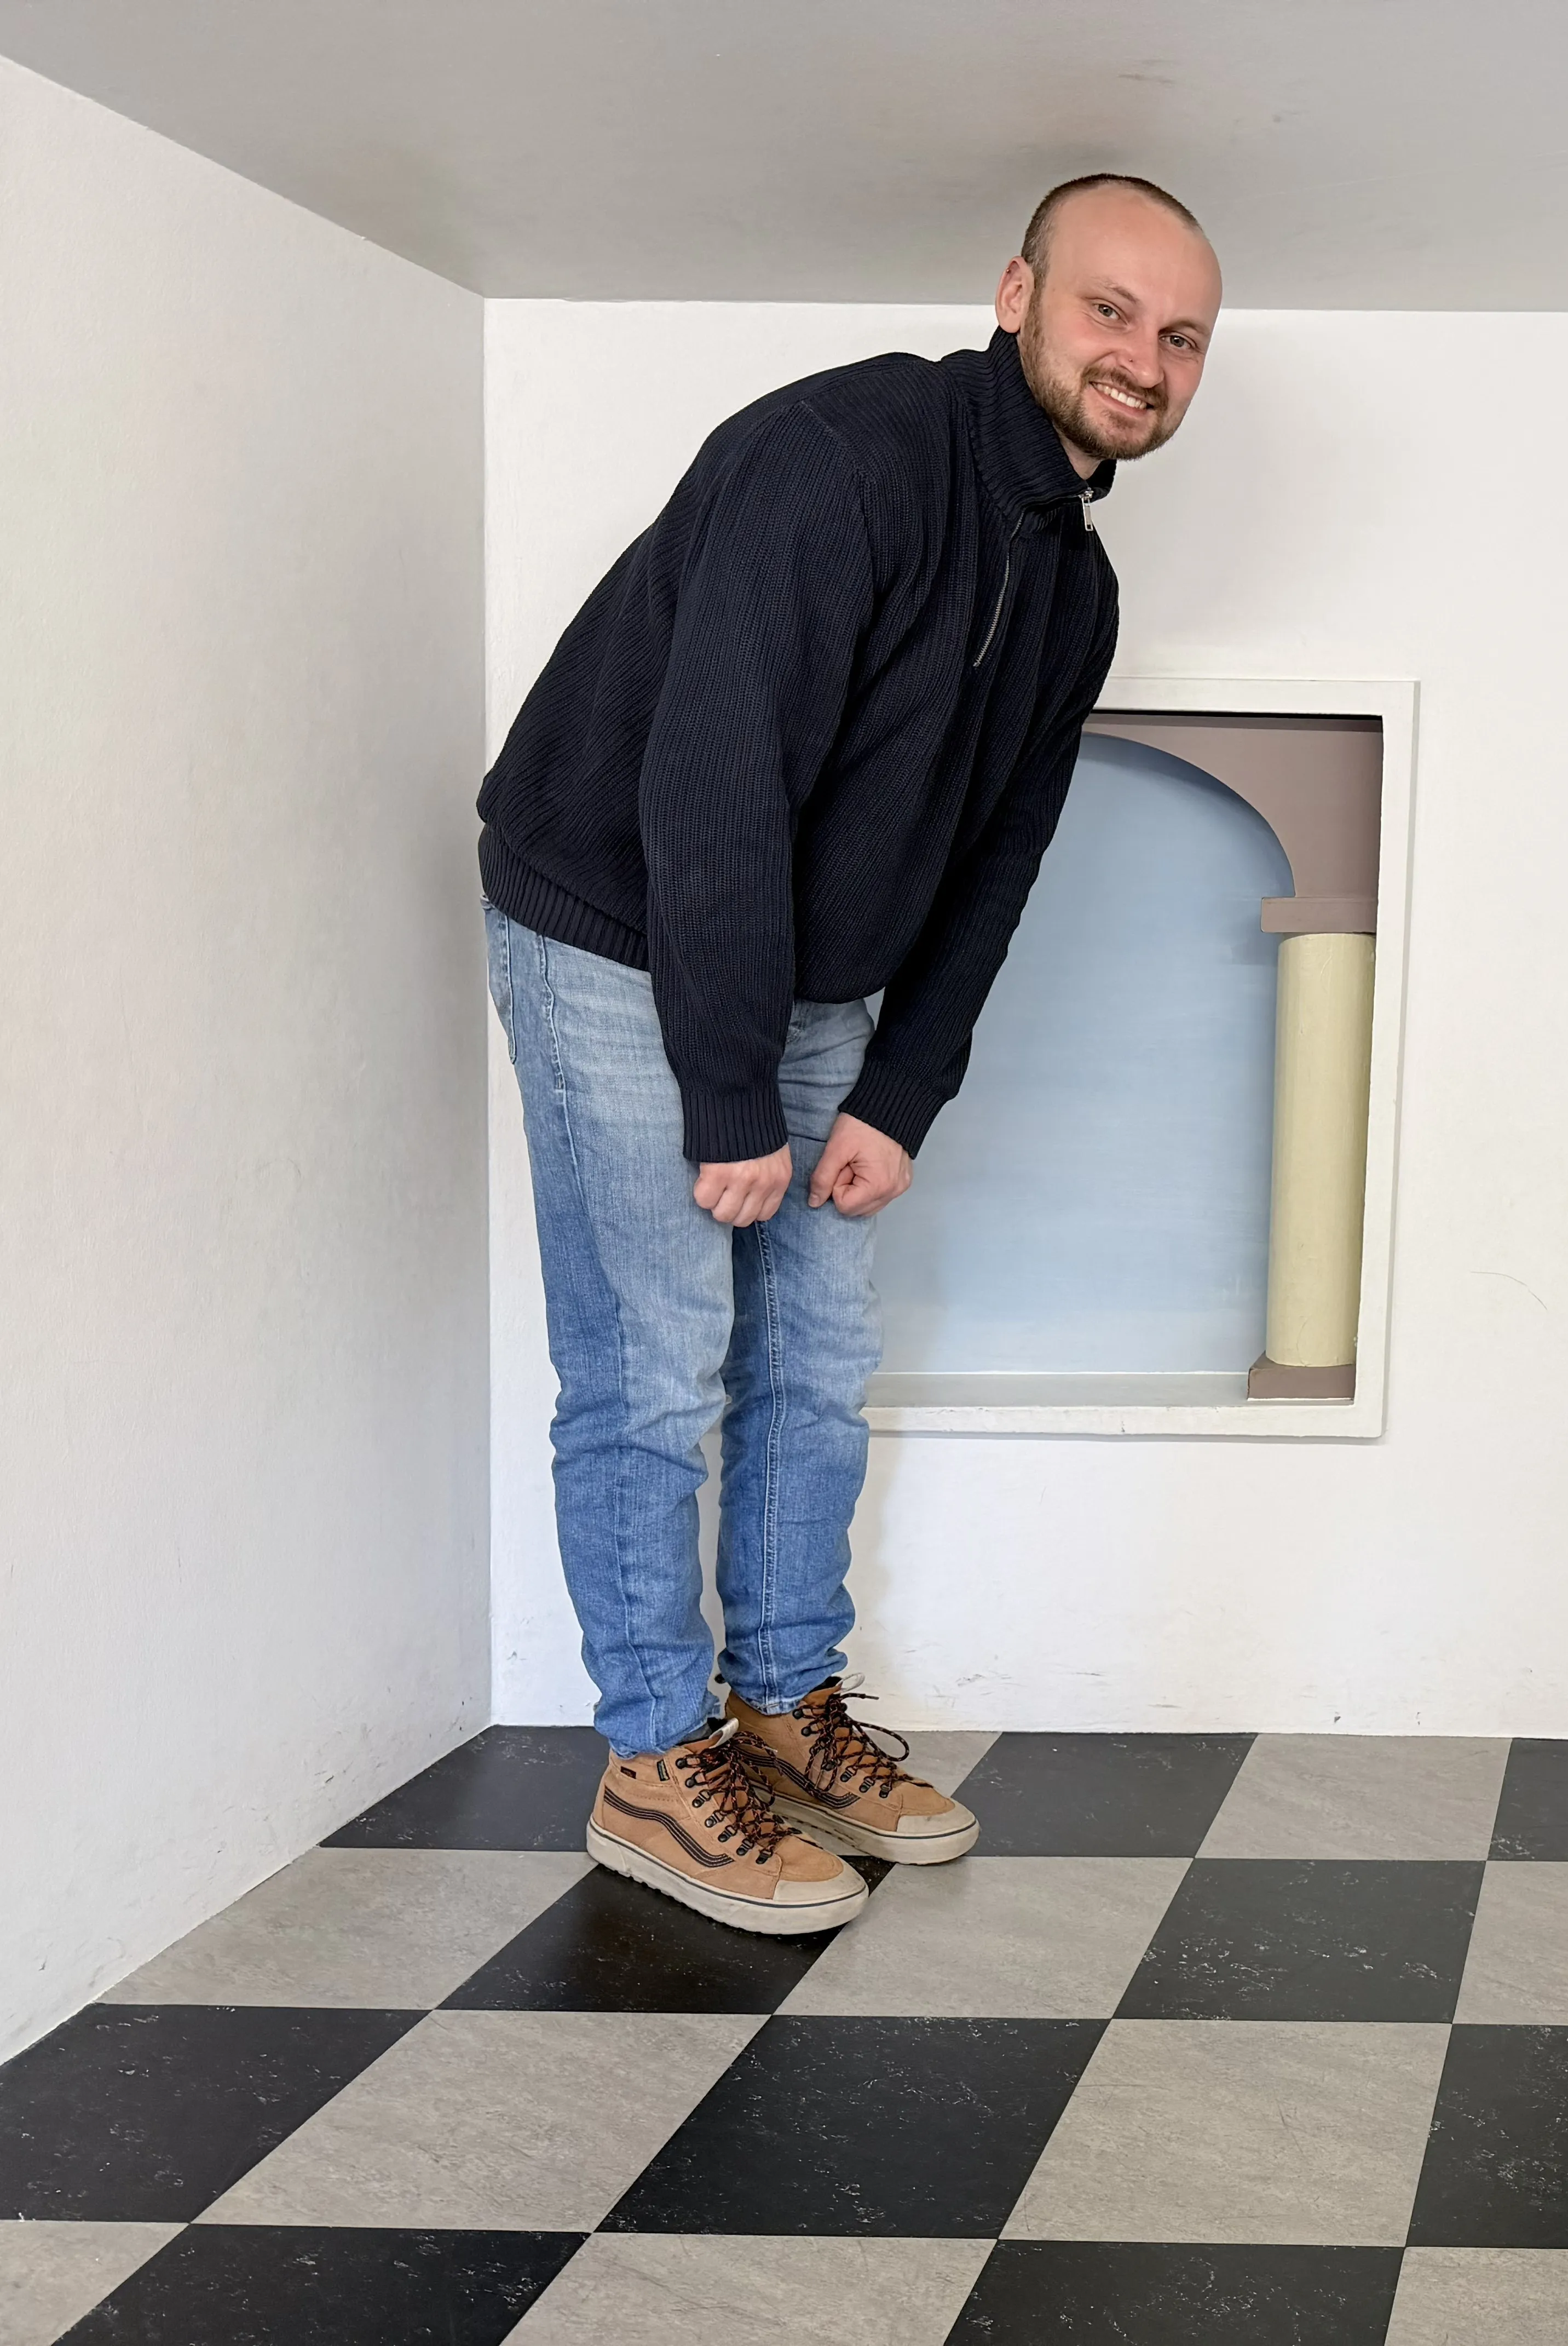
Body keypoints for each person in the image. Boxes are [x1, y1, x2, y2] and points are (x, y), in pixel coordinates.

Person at [477, 176, 1222, 1933]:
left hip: (804, 971)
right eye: (1111, 310)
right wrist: (730, 1087)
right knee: (658, 1357)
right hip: (611, 914)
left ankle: (782, 1703)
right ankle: (656, 1759)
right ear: (1017, 293)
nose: (1145, 359)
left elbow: (998, 855)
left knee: (814, 1347)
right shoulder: (844, 462)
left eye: (1180, 336)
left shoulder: (1075, 588)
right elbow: (708, 777)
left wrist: (900, 1088)